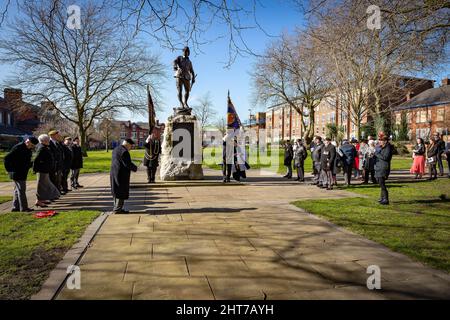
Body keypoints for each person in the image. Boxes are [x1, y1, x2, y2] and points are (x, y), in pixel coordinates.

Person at [4, 137, 39, 212]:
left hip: (22, 172)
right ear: (28, 141)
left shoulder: (28, 149)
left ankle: (15, 207)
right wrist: (8, 170)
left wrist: (30, 164)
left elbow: (24, 160)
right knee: (21, 190)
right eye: (32, 145)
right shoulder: (18, 147)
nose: (32, 147)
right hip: (17, 172)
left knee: (17, 190)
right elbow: (6, 158)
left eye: (33, 146)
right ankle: (24, 208)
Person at [110, 139, 138, 213]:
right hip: (121, 174)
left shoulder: (116, 149)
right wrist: (135, 168)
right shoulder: (124, 152)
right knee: (120, 191)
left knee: (116, 190)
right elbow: (127, 164)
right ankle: (117, 209)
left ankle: (117, 207)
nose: (131, 148)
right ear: (127, 144)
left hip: (114, 172)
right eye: (131, 146)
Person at [33, 134, 61, 207]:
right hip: (42, 170)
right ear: (43, 141)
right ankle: (39, 200)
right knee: (42, 186)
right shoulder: (41, 148)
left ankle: (42, 199)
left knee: (44, 185)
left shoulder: (45, 147)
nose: (49, 141)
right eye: (47, 140)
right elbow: (36, 160)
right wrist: (35, 169)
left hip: (45, 170)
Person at [374, 136, 393, 205]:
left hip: (383, 167)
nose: (379, 142)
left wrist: (376, 154)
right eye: (379, 140)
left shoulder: (388, 148)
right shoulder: (382, 148)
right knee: (380, 182)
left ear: (385, 141)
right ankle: (382, 198)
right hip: (379, 167)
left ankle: (386, 199)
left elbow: (385, 157)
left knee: (382, 184)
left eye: (381, 140)